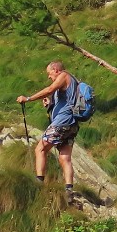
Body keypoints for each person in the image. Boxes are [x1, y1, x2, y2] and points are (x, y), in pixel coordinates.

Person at [17, 61, 78, 199]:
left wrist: (28, 98)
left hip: (61, 123)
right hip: (72, 125)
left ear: (56, 70)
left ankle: (39, 182)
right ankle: (69, 190)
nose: (49, 77)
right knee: (65, 157)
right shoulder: (71, 82)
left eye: (49, 74)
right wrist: (50, 104)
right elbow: (64, 101)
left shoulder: (63, 75)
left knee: (40, 149)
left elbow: (49, 89)